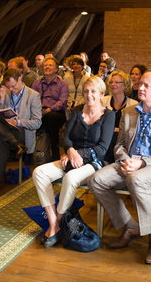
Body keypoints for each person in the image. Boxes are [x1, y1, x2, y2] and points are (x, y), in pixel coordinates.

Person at [88, 69, 151, 265]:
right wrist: (126, 160)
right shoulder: (128, 112)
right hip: (130, 161)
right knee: (96, 180)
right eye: (140, 84)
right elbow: (119, 145)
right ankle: (131, 226)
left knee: (137, 179)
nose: (140, 88)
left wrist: (142, 163)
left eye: (146, 85)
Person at [33, 76, 115, 247]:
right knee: (39, 172)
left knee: (70, 178)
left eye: (93, 91)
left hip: (94, 163)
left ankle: (58, 223)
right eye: (86, 91)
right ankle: (53, 220)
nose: (89, 94)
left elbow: (102, 149)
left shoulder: (109, 115)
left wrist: (78, 154)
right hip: (71, 159)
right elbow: (66, 138)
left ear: (101, 94)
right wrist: (70, 151)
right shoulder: (77, 111)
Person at [0, 69, 42, 199]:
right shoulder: (6, 92)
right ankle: (14, 145)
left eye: (14, 86)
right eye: (9, 87)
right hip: (6, 132)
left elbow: (37, 123)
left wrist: (19, 122)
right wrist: (2, 100)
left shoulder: (33, 95)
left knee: (2, 140)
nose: (12, 90)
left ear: (20, 78)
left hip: (21, 133)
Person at [32, 57, 69, 160]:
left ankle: (55, 150)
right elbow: (32, 98)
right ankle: (36, 152)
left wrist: (49, 109)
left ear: (56, 69)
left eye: (50, 65)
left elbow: (62, 102)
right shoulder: (37, 83)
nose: (47, 67)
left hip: (56, 113)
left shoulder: (62, 84)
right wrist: (38, 109)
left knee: (51, 118)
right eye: (45, 65)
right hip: (39, 111)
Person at [101, 70, 138, 163]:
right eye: (111, 82)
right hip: (104, 136)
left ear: (125, 85)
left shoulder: (134, 104)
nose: (113, 84)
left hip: (123, 139)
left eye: (117, 82)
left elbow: (133, 128)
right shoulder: (103, 101)